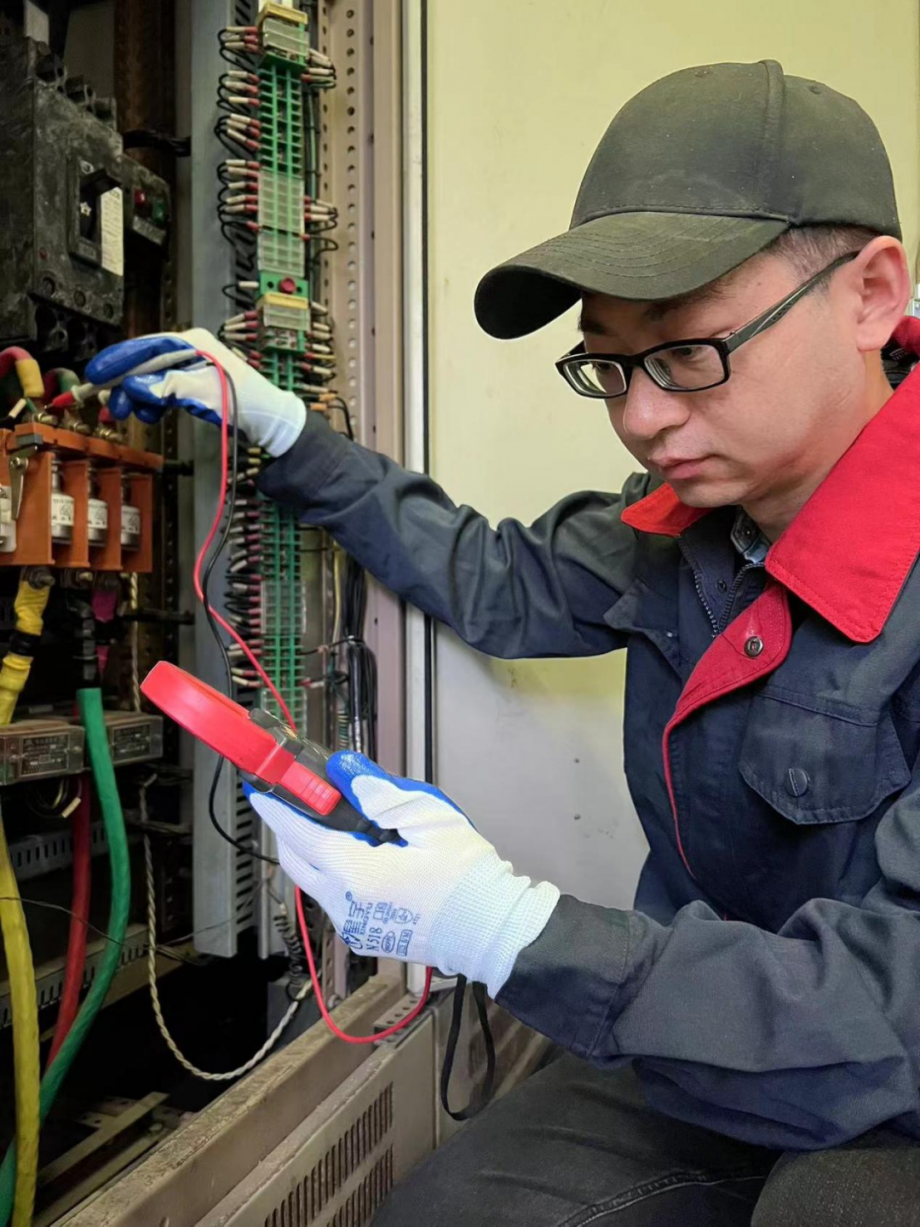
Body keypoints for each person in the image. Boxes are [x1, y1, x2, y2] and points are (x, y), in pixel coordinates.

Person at [90, 60, 920, 1227]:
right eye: (607, 366)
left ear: (871, 293)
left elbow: (894, 1008)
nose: (639, 417)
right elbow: (490, 577)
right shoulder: (683, 528)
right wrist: (285, 433)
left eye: (687, 351)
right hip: (695, 1035)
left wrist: (504, 926)